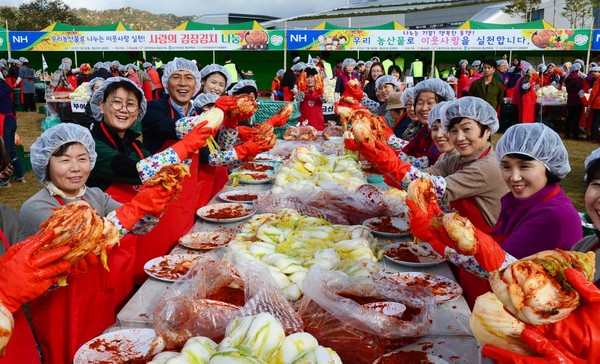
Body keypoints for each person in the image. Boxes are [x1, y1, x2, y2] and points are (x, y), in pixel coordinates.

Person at [19, 123, 179, 363]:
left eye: (82, 158)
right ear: (46, 163)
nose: (75, 168)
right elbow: (86, 239)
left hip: (98, 298)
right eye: (64, 160)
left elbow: (139, 227)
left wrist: (156, 203)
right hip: (60, 307)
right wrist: (138, 207)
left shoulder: (94, 195)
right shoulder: (36, 208)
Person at [409, 122, 581, 307]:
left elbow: (497, 267)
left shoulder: (554, 216)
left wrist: (434, 233)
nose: (514, 177)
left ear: (548, 167)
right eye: (506, 167)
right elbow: (492, 244)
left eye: (525, 167)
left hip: (523, 309)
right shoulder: (517, 200)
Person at [358, 97, 508, 306]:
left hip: (483, 258)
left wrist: (390, 163)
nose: (459, 137)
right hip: (458, 247)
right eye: (453, 130)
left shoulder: (487, 167)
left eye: (467, 129)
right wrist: (384, 162)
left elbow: (434, 189)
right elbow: (421, 178)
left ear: (487, 130)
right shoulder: (454, 159)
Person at [87, 77, 214, 309]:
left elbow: (157, 168)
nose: (123, 109)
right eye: (116, 103)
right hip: (103, 244)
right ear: (101, 105)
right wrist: (184, 146)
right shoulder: (92, 145)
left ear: (138, 111)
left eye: (130, 104)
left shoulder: (134, 144)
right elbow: (136, 171)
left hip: (131, 238)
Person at [401, 78, 456, 165]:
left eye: (430, 102)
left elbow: (429, 161)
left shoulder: (446, 131)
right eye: (420, 103)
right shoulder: (425, 130)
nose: (424, 108)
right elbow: (407, 150)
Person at [0, 73, 25, 187]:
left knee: (4, 150)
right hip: (11, 120)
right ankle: (20, 175)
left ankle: (5, 180)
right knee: (11, 149)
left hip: (3, 121)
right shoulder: (5, 87)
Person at [564, 63, 584, 138]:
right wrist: (584, 99)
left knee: (569, 117)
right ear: (577, 70)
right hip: (577, 100)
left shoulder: (568, 78)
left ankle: (567, 133)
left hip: (570, 99)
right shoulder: (577, 79)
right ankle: (575, 134)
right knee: (576, 118)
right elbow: (580, 90)